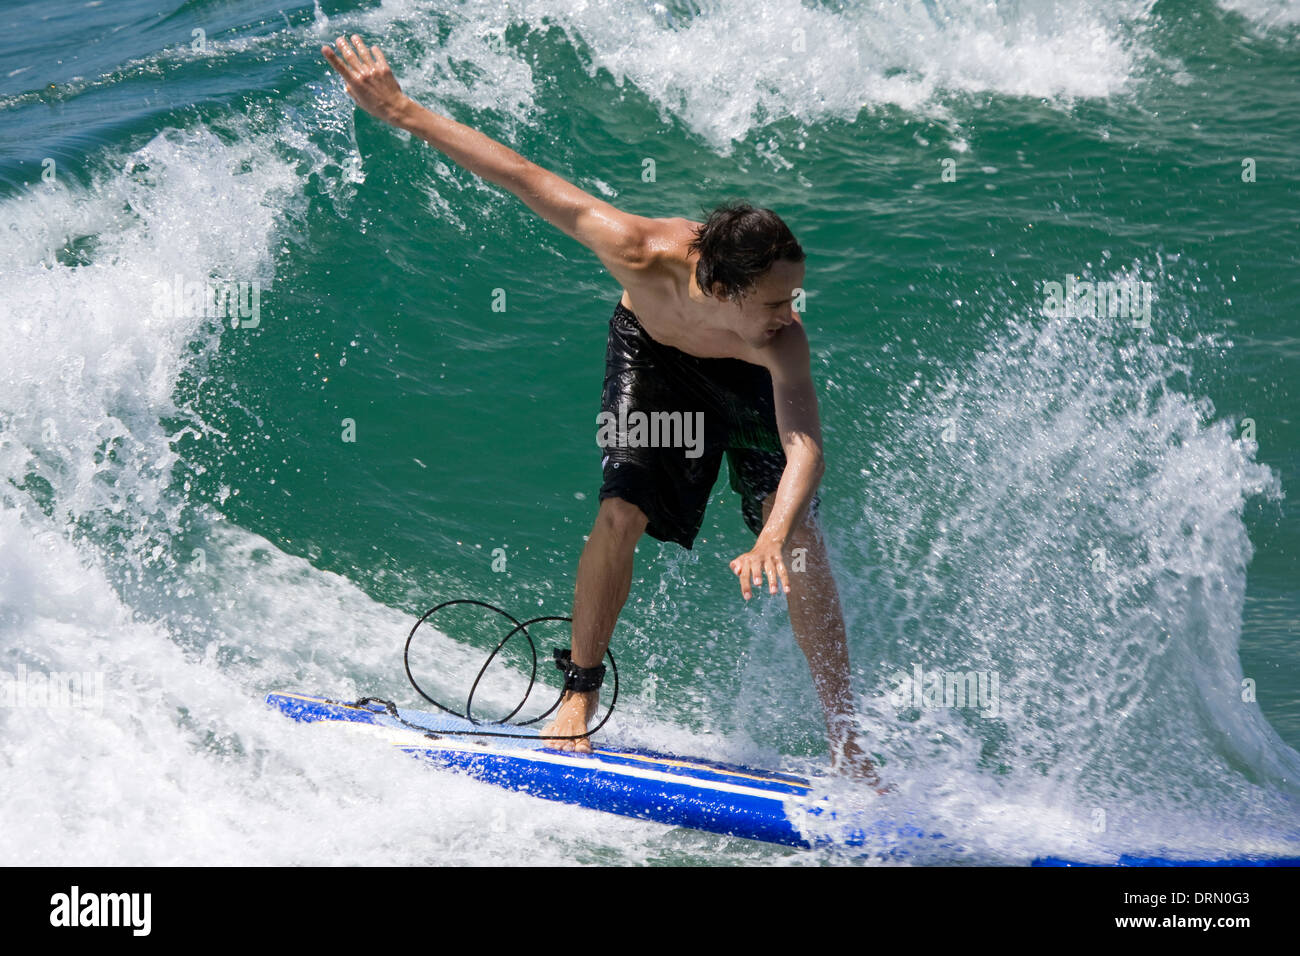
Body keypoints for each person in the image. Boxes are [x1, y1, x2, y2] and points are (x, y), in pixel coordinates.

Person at [321, 36, 880, 783]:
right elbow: (523, 177)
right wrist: (401, 110)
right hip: (653, 359)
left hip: (740, 389)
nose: (792, 310)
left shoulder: (779, 341)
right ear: (722, 288)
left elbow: (804, 445)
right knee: (621, 510)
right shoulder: (638, 251)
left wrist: (772, 534)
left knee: (802, 540)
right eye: (777, 298)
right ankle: (576, 697)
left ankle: (846, 741)